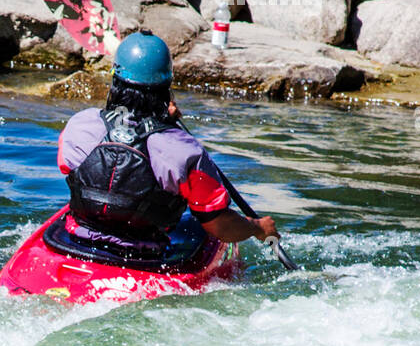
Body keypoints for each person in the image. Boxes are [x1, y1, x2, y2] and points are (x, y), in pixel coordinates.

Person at [54, 29, 279, 265]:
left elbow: (81, 164)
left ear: (114, 82)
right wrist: (257, 227)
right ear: (166, 89)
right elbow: (219, 225)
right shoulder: (183, 149)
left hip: (75, 243)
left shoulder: (79, 125)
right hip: (142, 258)